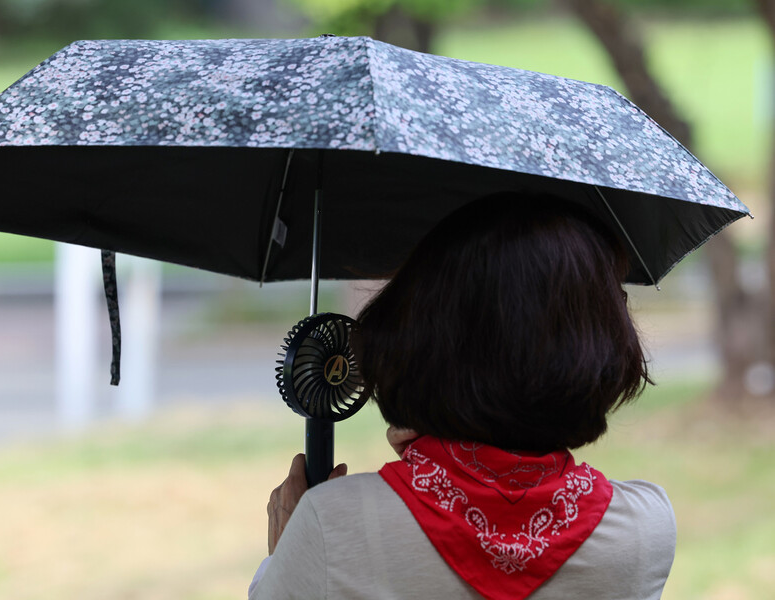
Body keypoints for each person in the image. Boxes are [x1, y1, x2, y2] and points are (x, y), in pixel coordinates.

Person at [248, 192, 676, 600]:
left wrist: (289, 552)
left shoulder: (334, 524)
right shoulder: (645, 527)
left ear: (418, 333)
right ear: (595, 349)